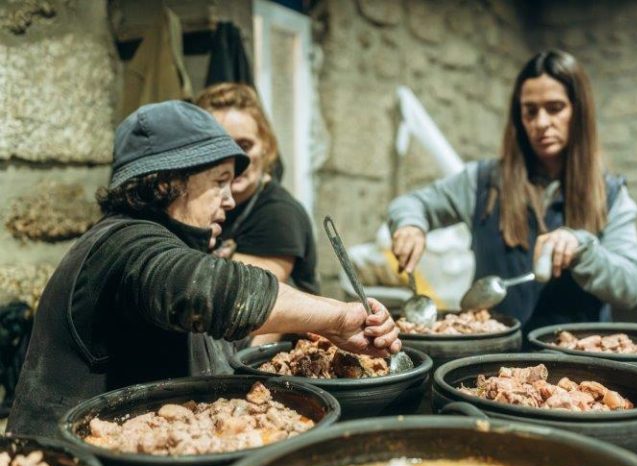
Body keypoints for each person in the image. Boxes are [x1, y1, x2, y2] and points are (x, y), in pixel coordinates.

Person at [8, 100, 399, 437]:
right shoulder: (123, 244)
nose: (229, 201)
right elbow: (209, 292)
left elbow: (215, 339)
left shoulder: (153, 242)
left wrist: (314, 332)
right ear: (164, 184)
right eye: (219, 182)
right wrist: (338, 317)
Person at [388, 50, 637, 333]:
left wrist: (583, 249)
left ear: (579, 111)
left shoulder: (610, 194)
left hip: (579, 365)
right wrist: (411, 225)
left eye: (555, 108)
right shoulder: (483, 181)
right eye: (530, 111)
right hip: (495, 362)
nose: (541, 123)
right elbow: (414, 204)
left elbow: (631, 286)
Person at [196, 83, 318, 295]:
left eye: (244, 146)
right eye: (219, 146)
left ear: (267, 147)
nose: (234, 159)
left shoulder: (279, 214)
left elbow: (257, 300)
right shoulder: (198, 204)